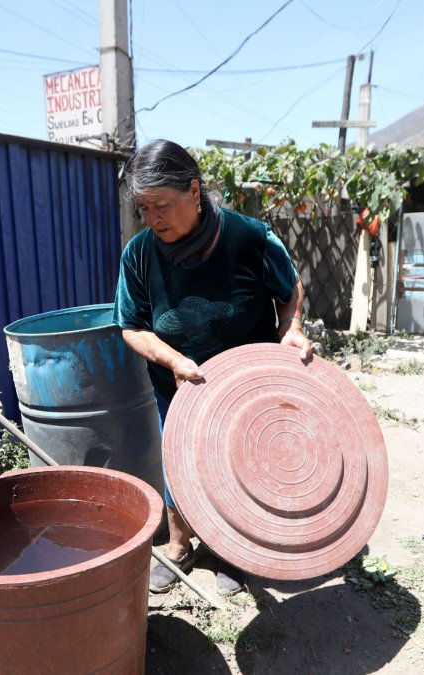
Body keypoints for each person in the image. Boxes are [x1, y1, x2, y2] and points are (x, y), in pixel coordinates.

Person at [113, 139, 312, 595]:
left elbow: (289, 288)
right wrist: (174, 360)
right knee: (180, 462)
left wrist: (290, 328)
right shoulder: (139, 255)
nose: (153, 219)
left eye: (162, 205)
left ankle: (234, 549)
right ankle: (180, 545)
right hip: (179, 385)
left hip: (248, 386)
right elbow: (132, 327)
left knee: (242, 461)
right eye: (144, 209)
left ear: (195, 190)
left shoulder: (249, 237)